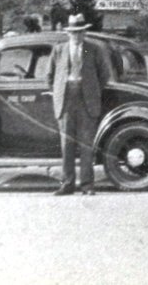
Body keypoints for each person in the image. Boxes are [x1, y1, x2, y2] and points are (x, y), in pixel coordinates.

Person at [45, 14, 113, 196]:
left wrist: (92, 90)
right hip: (65, 101)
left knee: (86, 145)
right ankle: (67, 184)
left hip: (87, 102)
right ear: (68, 33)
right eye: (73, 32)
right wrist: (59, 92)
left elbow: (104, 75)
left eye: (80, 32)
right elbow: (49, 76)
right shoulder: (59, 50)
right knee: (66, 145)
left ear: (85, 32)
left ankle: (87, 185)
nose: (77, 35)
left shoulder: (94, 49)